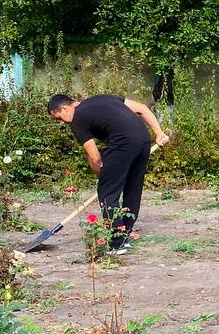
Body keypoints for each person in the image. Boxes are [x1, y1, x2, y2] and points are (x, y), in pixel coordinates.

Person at [47, 93, 170, 255]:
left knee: (107, 193)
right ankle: (124, 233)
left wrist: (103, 180)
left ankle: (117, 243)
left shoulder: (77, 120)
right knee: (132, 189)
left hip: (123, 143)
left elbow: (95, 157)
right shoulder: (103, 98)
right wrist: (159, 133)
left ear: (64, 108)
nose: (61, 122)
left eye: (59, 118)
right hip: (143, 139)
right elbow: (142, 109)